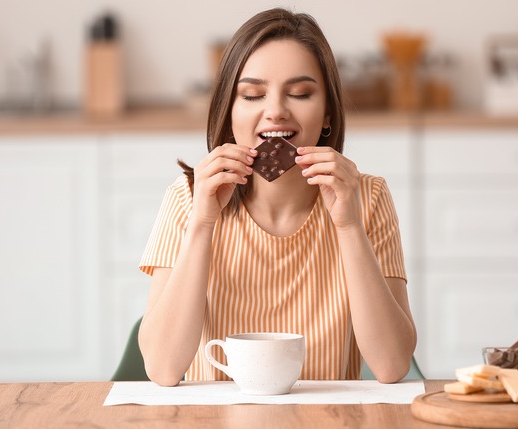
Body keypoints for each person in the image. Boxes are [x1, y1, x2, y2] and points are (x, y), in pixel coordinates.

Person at [138, 8, 416, 386]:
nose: (276, 111)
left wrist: (349, 224)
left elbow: (392, 365)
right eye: (252, 95)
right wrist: (203, 223)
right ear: (229, 112)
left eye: (300, 93)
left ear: (329, 111)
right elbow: (162, 368)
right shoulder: (187, 198)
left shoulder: (367, 197)